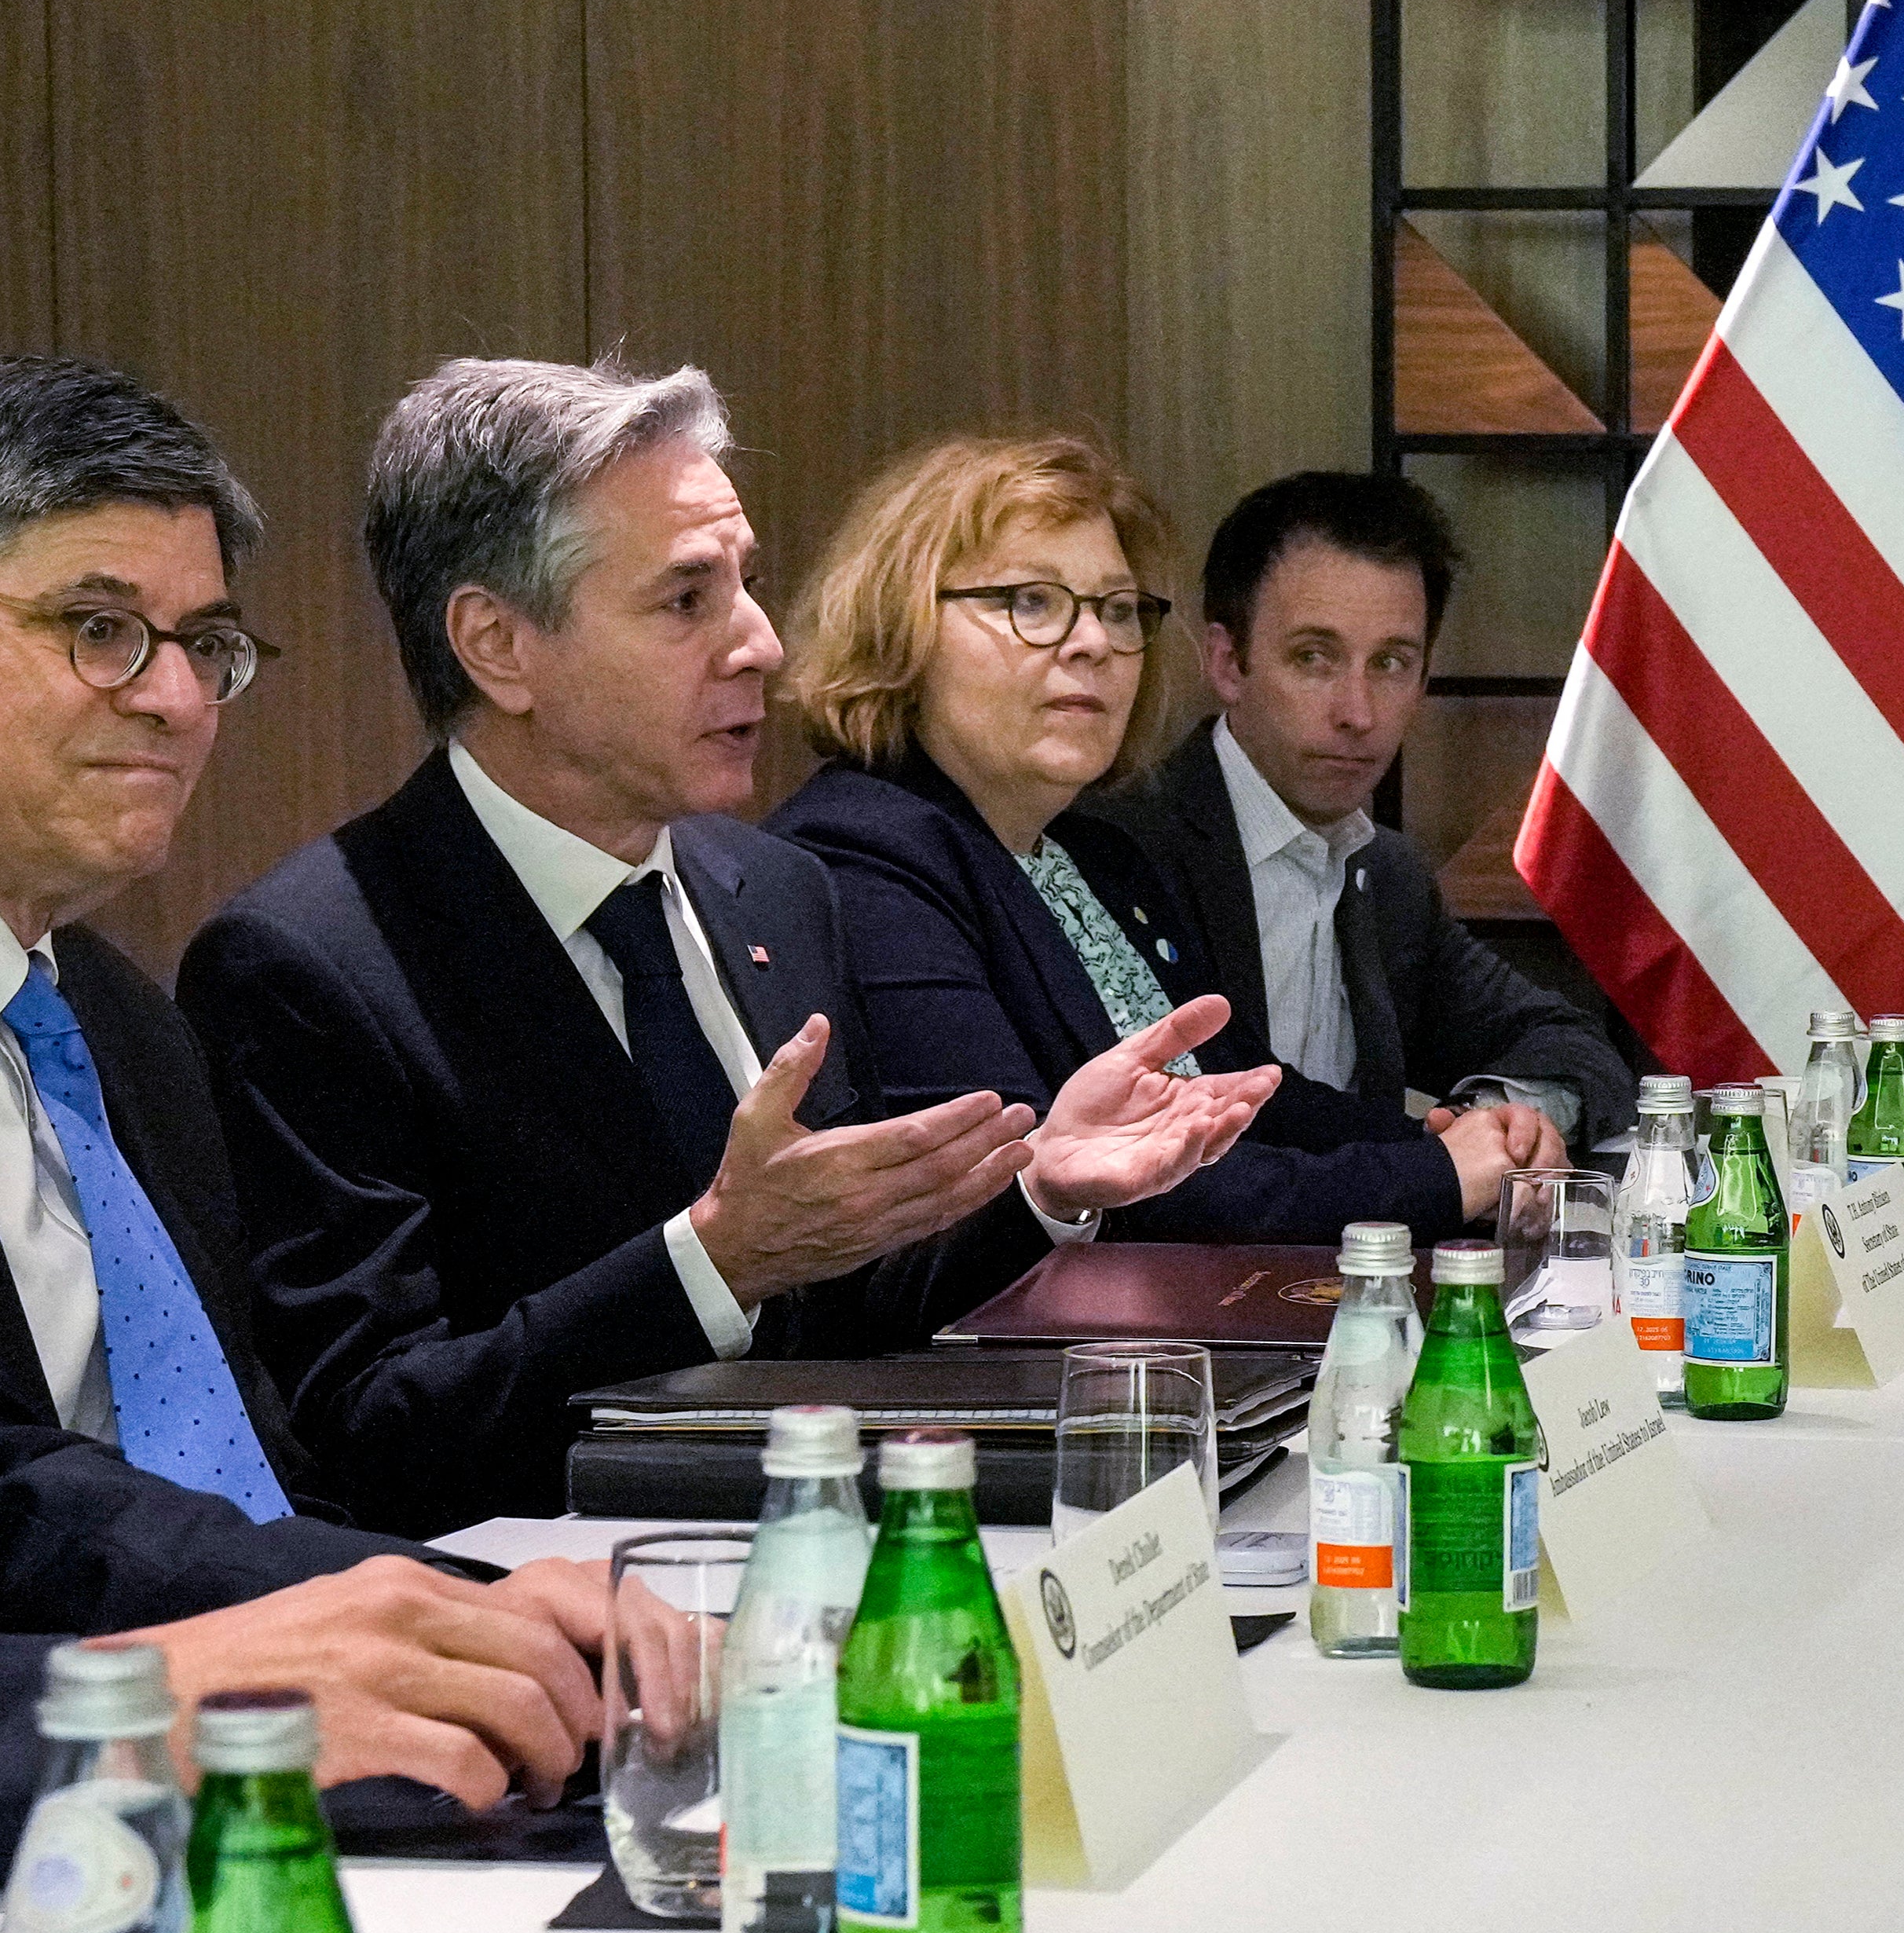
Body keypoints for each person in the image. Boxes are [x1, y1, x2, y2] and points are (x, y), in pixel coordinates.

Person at [185, 361, 1273, 1532]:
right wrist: (711, 1261)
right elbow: (370, 1432)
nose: (761, 643)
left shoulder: (772, 889)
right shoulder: (310, 962)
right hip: (539, 1612)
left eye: (748, 585)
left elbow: (842, 1306)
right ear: (498, 645)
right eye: (685, 600)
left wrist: (1044, 1189)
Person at [0, 357, 615, 1813]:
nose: (172, 698)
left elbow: (224, 1486)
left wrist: (442, 1608)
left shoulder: (127, 1031)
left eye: (204, 643)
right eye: (99, 629)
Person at [764, 435, 1532, 1242]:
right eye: (1032, 601)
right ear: (902, 626)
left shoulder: (1095, 856)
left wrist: (1439, 1140)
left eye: (1117, 609)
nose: (1093, 642)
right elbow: (1065, 1182)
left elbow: (1238, 1090)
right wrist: (1431, 1178)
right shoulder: (862, 855)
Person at [1086, 470, 1629, 1159]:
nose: (1358, 713)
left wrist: (1496, 1118)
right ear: (1228, 664)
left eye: (1392, 664)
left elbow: (1571, 1044)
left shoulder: (1390, 876)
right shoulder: (1120, 846)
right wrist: (1435, 1159)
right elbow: (1218, 1115)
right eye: (1314, 658)